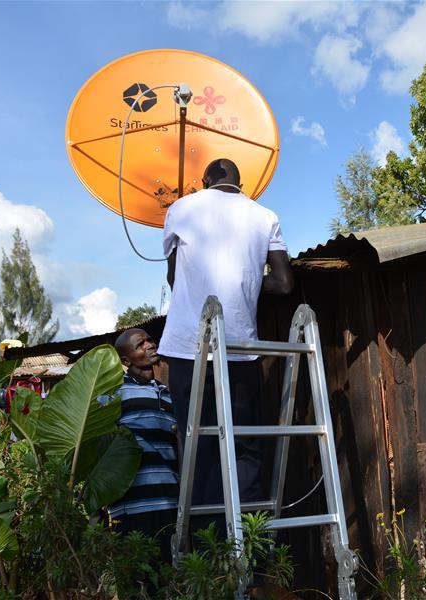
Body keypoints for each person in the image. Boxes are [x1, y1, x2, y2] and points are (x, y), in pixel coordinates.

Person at [158, 158, 294, 536]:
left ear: (204, 181)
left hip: (187, 347)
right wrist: (247, 286)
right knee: (246, 447)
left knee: (197, 447)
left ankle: (207, 548)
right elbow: (284, 284)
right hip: (240, 348)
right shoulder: (264, 215)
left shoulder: (181, 208)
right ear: (241, 181)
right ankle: (248, 547)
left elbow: (173, 275)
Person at [108, 328, 179, 562]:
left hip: (170, 501)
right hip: (133, 507)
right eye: (140, 345)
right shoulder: (115, 394)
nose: (150, 345)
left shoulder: (168, 394)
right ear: (126, 360)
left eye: (150, 340)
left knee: (170, 579)